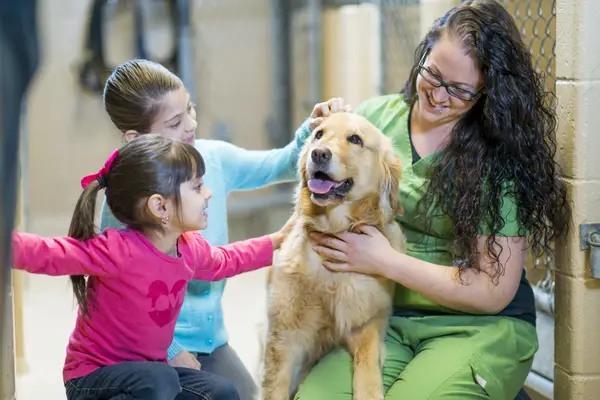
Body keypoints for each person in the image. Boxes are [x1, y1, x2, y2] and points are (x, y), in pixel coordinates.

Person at [299, 1, 571, 398]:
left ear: (486, 93)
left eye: (461, 90)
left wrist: (385, 261)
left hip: (476, 325)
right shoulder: (375, 121)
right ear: (424, 53)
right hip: (383, 317)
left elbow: (491, 291)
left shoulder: (498, 157)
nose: (440, 96)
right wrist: (318, 136)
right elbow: (316, 195)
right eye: (434, 74)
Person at [99, 58, 347, 398]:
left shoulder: (212, 157)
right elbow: (122, 301)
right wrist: (171, 352)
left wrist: (314, 129)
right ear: (136, 138)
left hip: (210, 342)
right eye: (174, 122)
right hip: (142, 348)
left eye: (190, 109)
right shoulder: (124, 200)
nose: (190, 125)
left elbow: (282, 164)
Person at [11, 135, 294, 400]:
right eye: (197, 187)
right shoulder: (118, 250)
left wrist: (276, 241)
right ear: (160, 207)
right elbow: (48, 254)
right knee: (160, 381)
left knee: (222, 391)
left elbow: (226, 260)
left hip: (148, 373)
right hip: (92, 377)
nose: (208, 193)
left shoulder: (190, 248)